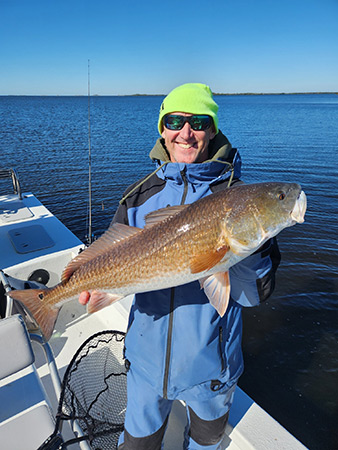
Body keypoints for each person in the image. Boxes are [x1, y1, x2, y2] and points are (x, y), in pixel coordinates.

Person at [79, 83, 280, 449]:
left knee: (206, 442)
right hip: (145, 367)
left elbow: (252, 297)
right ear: (162, 129)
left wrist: (248, 245)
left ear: (213, 130)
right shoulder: (138, 198)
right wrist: (92, 284)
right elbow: (111, 254)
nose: (186, 133)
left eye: (199, 122)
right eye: (175, 120)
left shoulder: (238, 201)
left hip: (211, 370)